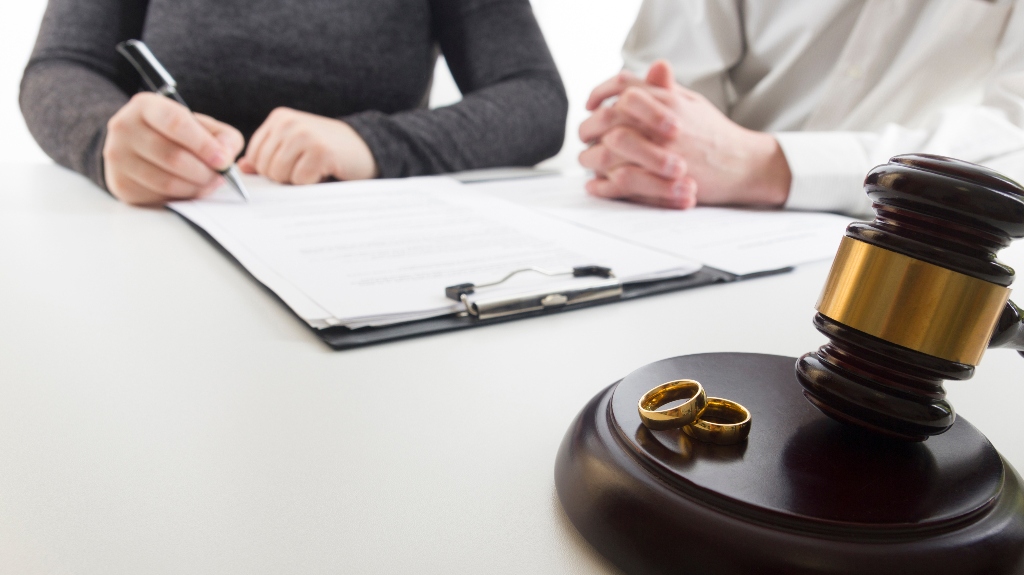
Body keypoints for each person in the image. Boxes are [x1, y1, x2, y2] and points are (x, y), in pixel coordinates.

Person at [21, 0, 568, 206]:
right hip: (158, 241)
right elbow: (60, 66)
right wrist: (105, 137)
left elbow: (534, 97)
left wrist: (368, 143)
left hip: (367, 254)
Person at [579, 0, 1024, 215]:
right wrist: (645, 146)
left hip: (914, 244)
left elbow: (1014, 142)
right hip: (705, 221)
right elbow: (663, 103)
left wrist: (767, 166)